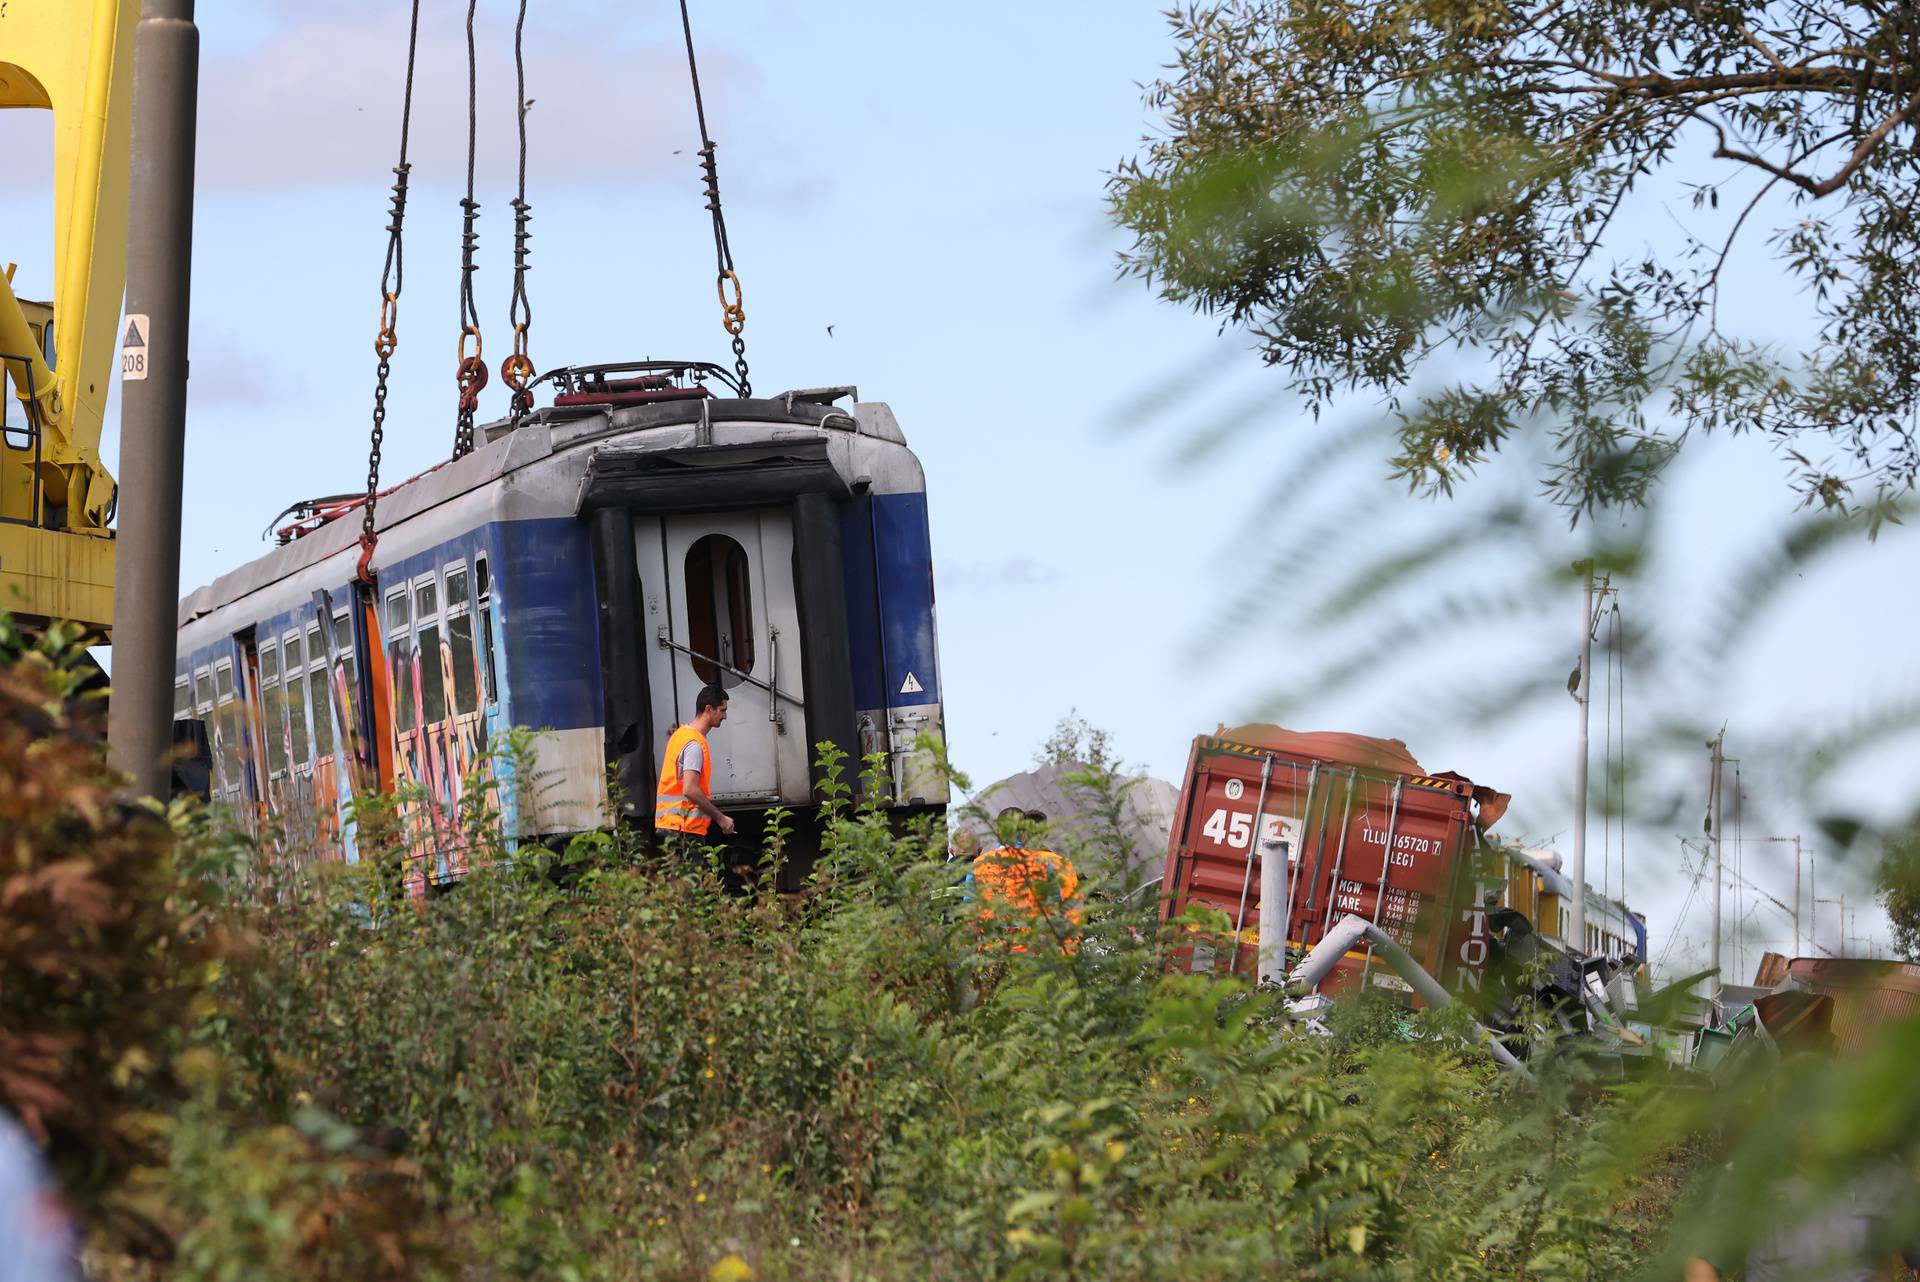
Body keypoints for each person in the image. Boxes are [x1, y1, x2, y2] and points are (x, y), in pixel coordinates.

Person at [968, 807, 1083, 954]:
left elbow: (970, 916)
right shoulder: (1044, 865)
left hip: (993, 953)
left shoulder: (977, 865)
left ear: (997, 831)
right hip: (1033, 953)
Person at [654, 683, 734, 847]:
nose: (725, 716)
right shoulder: (694, 744)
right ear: (709, 709)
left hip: (671, 825)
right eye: (722, 710)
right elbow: (690, 789)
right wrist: (721, 818)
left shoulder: (680, 735)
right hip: (684, 829)